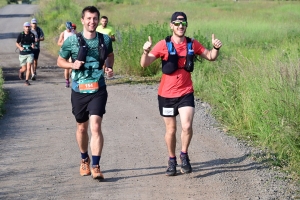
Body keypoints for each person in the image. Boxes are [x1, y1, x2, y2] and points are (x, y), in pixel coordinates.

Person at [140, 12, 223, 176]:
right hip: (166, 94)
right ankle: (172, 159)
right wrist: (145, 51)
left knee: (186, 126)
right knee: (171, 130)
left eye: (183, 23)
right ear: (171, 25)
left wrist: (216, 47)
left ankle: (184, 155)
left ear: (186, 25)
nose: (180, 26)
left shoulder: (192, 44)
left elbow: (211, 57)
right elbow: (145, 63)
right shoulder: (163, 44)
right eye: (177, 24)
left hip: (186, 92)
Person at [57, 6, 114, 180]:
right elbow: (60, 61)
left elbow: (110, 55)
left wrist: (109, 67)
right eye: (89, 18)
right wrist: (71, 65)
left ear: (98, 20)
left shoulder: (104, 39)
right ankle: (84, 159)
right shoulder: (72, 41)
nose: (92, 22)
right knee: (82, 128)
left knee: (96, 126)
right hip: (79, 90)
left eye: (95, 18)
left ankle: (96, 165)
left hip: (98, 89)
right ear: (82, 20)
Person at [57, 21, 76, 88]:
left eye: (70, 28)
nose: (69, 29)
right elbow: (58, 43)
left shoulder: (74, 32)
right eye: (68, 28)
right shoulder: (63, 33)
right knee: (66, 68)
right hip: (65, 51)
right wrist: (65, 44)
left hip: (73, 51)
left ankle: (73, 78)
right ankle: (67, 81)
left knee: (72, 64)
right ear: (66, 27)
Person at [16, 22, 35, 86]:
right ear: (24, 27)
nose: (27, 28)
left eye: (28, 27)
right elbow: (17, 43)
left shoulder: (32, 35)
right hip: (23, 54)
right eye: (26, 27)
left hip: (30, 53)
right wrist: (20, 47)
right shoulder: (21, 35)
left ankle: (26, 81)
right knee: (24, 69)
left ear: (30, 27)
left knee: (29, 67)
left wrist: (33, 45)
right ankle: (21, 71)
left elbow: (33, 42)